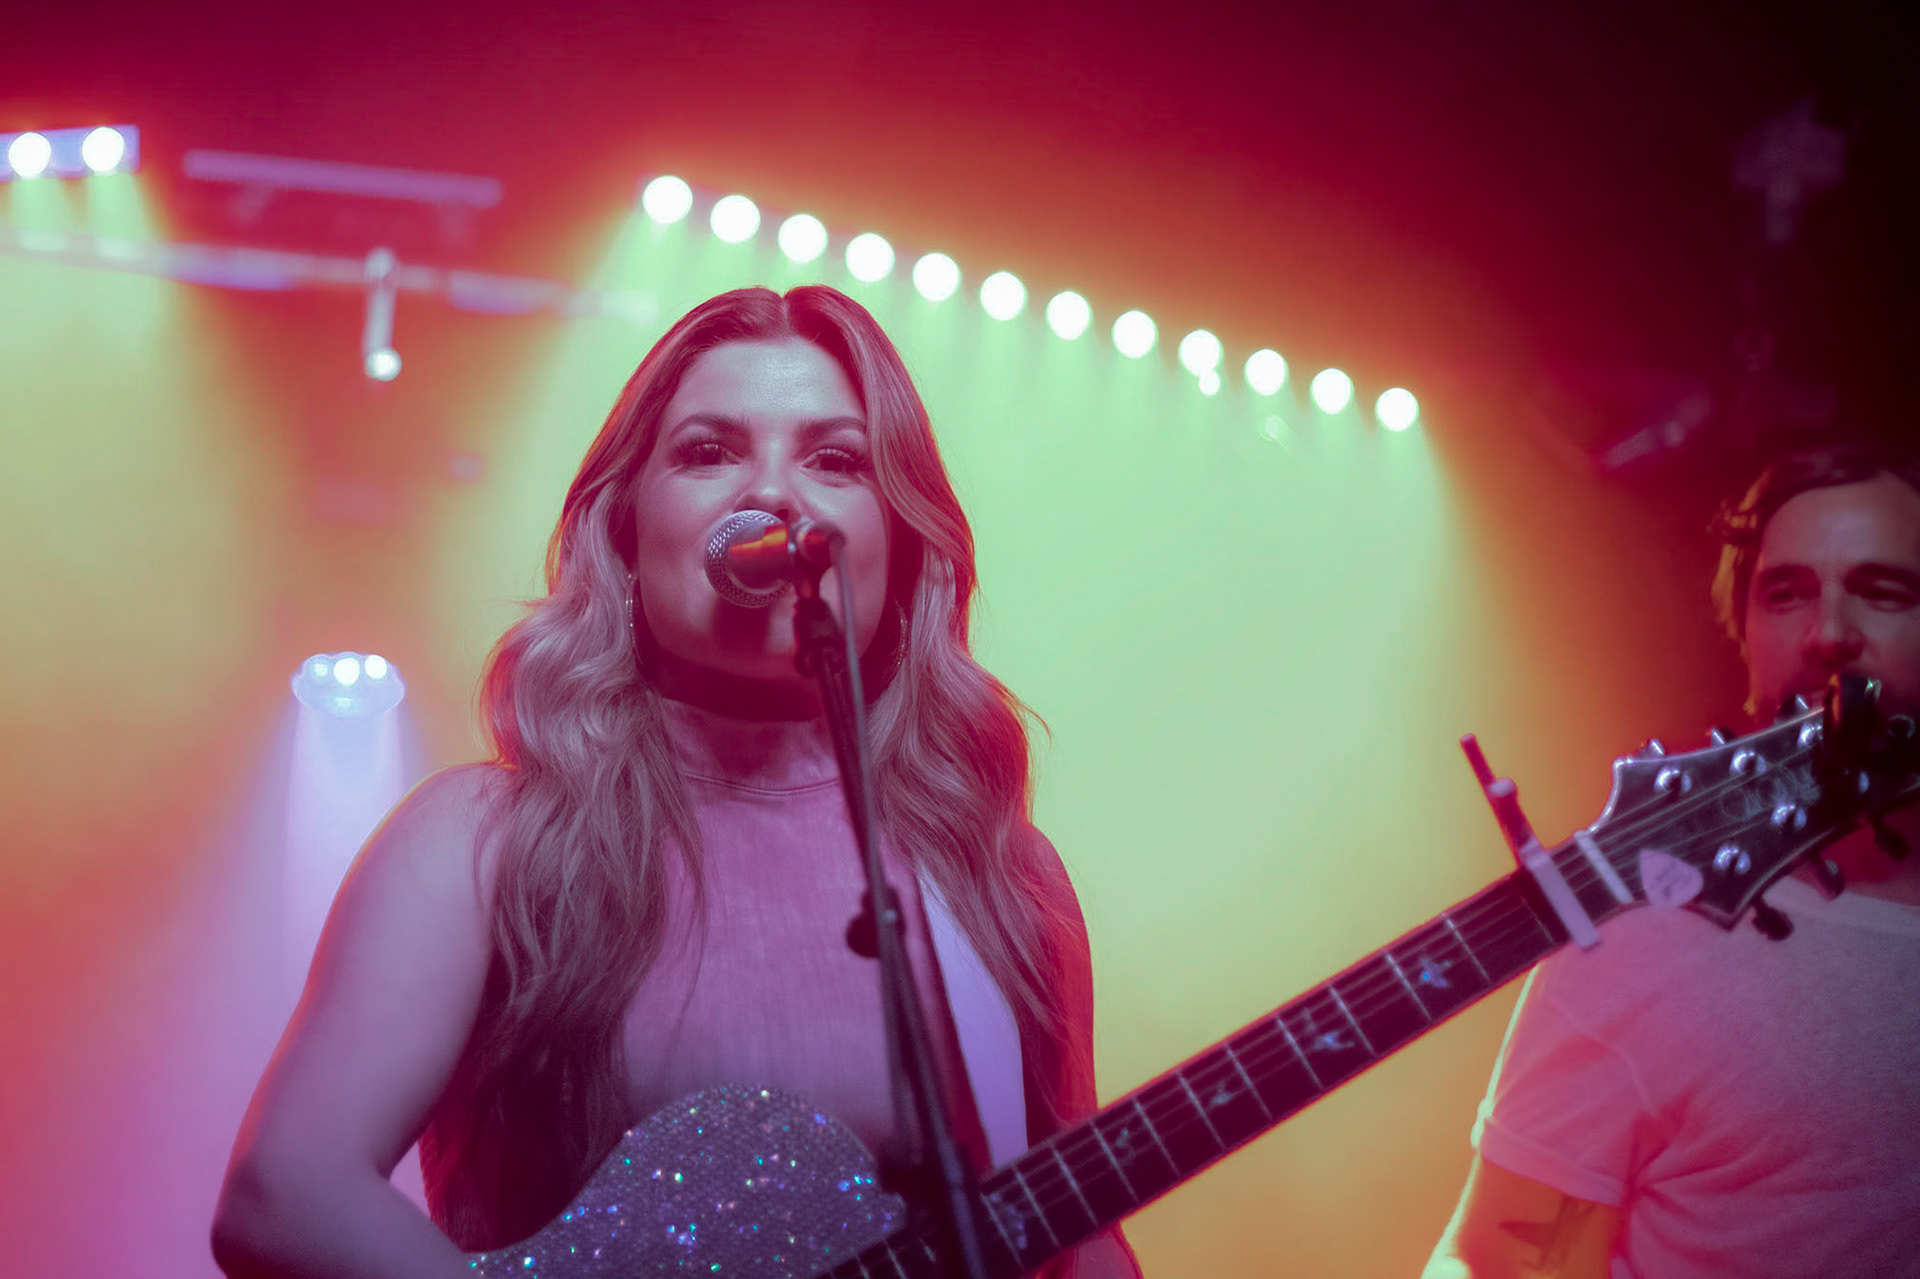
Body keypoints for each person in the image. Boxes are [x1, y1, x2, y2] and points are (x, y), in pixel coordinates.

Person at [212, 285, 1139, 1279]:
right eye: (709, 451)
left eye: (835, 461)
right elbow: (287, 1191)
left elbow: (1078, 1241)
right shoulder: (486, 841)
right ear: (625, 534)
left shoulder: (995, 874)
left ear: (901, 550)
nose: (775, 495)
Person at [1423, 443, 1920, 1278]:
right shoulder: (1640, 940)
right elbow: (1492, 1261)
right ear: (1747, 637)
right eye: (1786, 594)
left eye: (1883, 592)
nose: (1830, 633)